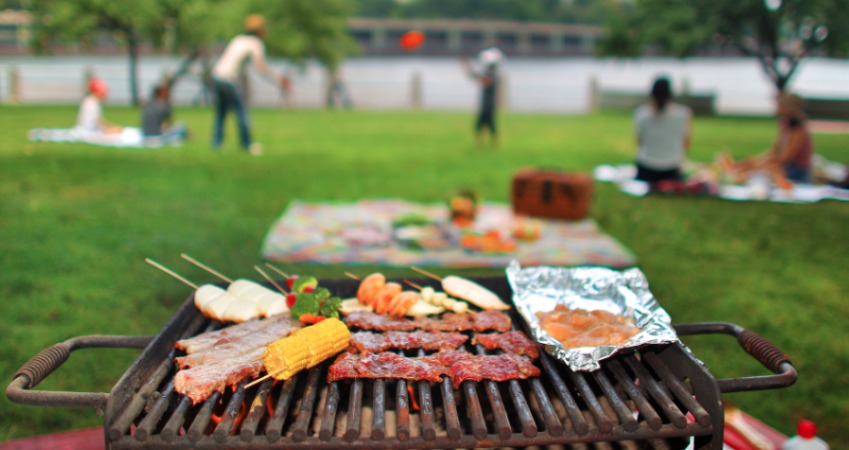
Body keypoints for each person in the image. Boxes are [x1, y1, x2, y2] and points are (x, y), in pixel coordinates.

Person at [211, 14, 290, 155]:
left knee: (221, 112)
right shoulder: (255, 43)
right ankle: (247, 144)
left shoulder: (238, 39)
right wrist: (278, 79)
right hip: (228, 79)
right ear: (259, 31)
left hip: (217, 76)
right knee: (241, 111)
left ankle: (217, 143)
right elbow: (261, 68)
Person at [718, 92, 814, 187]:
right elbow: (774, 150)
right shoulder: (784, 123)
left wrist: (757, 165)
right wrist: (754, 161)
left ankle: (735, 175)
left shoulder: (799, 130)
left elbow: (786, 159)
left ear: (789, 108)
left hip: (796, 171)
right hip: (784, 166)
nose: (777, 108)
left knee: (763, 169)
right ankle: (735, 173)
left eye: (780, 105)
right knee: (754, 167)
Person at [633, 76, 693, 183]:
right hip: (672, 170)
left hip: (645, 169)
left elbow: (640, 142)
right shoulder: (684, 114)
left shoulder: (641, 114)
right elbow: (686, 144)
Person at [462, 47, 503, 147]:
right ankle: (488, 144)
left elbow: (483, 79)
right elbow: (478, 77)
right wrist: (468, 68)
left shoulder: (491, 75)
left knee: (483, 125)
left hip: (488, 105)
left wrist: (469, 67)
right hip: (487, 104)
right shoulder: (491, 74)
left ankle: (485, 144)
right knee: (488, 125)